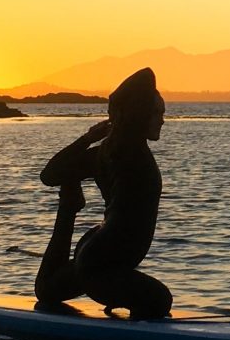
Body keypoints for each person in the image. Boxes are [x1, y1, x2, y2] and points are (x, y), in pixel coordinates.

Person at [34, 67, 172, 319]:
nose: (162, 120)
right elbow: (50, 175)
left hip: (97, 253)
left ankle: (67, 208)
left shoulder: (107, 153)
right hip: (102, 263)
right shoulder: (123, 155)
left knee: (47, 291)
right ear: (139, 114)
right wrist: (89, 137)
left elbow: (53, 174)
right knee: (159, 301)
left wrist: (88, 140)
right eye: (156, 113)